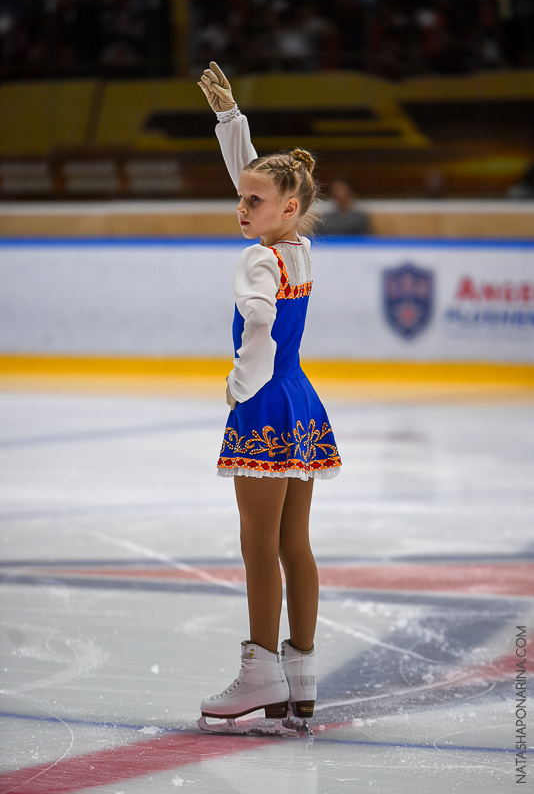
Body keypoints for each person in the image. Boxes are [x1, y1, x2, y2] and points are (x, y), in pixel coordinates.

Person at [196, 62, 341, 735]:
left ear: (285, 208)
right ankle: (299, 682)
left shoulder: (259, 258)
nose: (241, 206)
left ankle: (259, 673)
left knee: (258, 545)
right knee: (294, 545)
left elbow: (258, 319)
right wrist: (231, 122)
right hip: (300, 399)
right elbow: (261, 182)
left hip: (263, 401)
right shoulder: (296, 245)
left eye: (252, 202)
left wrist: (239, 381)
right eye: (241, 198)